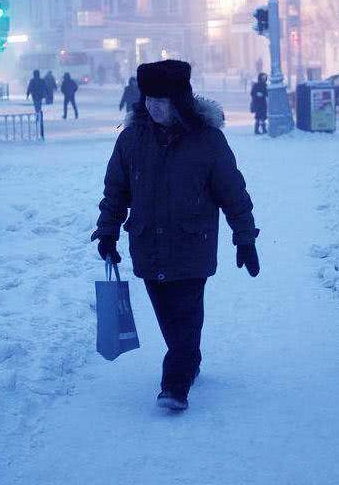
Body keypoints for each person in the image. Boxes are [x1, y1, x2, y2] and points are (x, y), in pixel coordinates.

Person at [92, 59, 260, 412]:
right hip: (148, 245)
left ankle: (174, 385)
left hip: (191, 246)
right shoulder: (131, 140)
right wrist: (107, 231)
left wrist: (244, 236)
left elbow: (233, 191)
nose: (154, 106)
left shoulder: (207, 141)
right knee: (170, 320)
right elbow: (116, 190)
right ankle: (189, 360)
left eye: (162, 100)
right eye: (149, 99)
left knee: (185, 317)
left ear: (179, 100)